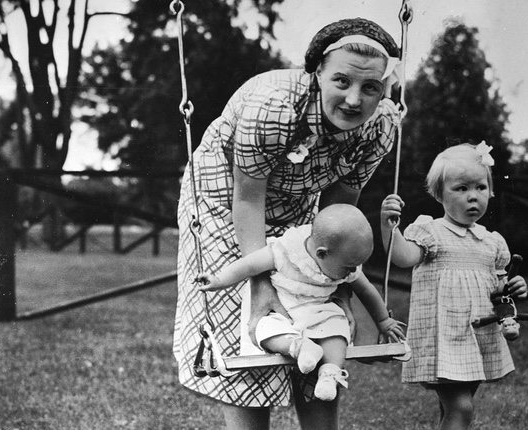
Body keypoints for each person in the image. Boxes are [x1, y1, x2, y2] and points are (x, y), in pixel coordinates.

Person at [173, 17, 403, 430]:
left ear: (384, 89)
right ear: (317, 72)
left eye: (370, 87)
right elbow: (248, 198)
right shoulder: (274, 105)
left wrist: (339, 291)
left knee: (314, 308)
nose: (354, 99)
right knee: (252, 319)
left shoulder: (381, 126)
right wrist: (260, 284)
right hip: (227, 199)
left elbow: (340, 208)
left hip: (301, 204)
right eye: (341, 82)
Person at [379, 142, 528, 430]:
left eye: (480, 187)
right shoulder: (431, 232)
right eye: (461, 189)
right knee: (461, 407)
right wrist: (389, 228)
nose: (473, 196)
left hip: (475, 338)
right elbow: (402, 257)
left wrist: (514, 288)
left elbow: (499, 291)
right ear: (439, 194)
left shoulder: (492, 242)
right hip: (442, 339)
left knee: (455, 407)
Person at [196, 203, 405, 401]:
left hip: (320, 310)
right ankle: (299, 347)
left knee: (339, 330)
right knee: (265, 330)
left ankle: (330, 372)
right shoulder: (286, 250)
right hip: (283, 311)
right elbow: (249, 266)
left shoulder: (343, 259)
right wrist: (219, 280)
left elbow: (366, 289)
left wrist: (384, 320)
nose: (353, 273)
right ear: (321, 254)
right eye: (349, 268)